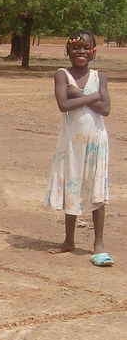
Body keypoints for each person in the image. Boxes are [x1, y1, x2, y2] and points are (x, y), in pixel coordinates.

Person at [45, 29, 112, 265]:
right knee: (72, 183)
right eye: (76, 48)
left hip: (96, 140)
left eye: (86, 47)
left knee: (96, 189)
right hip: (72, 141)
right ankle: (69, 240)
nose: (81, 51)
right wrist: (93, 96)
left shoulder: (99, 77)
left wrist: (81, 94)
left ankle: (99, 245)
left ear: (93, 52)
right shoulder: (62, 75)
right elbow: (64, 105)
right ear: (68, 52)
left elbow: (106, 110)